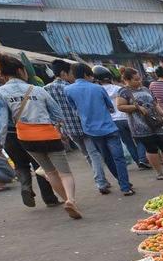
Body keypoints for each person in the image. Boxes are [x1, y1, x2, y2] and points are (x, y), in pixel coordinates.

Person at [0, 53, 80, 217]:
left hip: (26, 137)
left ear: (3, 74)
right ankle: (71, 200)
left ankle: (66, 200)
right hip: (48, 134)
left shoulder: (0, 92)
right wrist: (60, 129)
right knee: (64, 173)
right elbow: (57, 114)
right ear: (20, 70)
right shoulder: (38, 89)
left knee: (50, 172)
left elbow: (0, 121)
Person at [64, 62, 133, 196]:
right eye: (90, 75)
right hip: (109, 127)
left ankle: (122, 182)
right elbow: (111, 107)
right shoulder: (98, 88)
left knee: (107, 158)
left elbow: (74, 109)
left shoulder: (68, 90)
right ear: (86, 74)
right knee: (118, 158)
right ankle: (125, 186)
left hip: (91, 130)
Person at [48, 59, 108, 190]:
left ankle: (100, 180)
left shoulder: (46, 89)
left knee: (87, 155)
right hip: (84, 126)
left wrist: (58, 129)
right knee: (94, 154)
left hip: (69, 129)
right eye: (71, 73)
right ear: (64, 73)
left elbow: (51, 113)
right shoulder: (70, 88)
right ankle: (101, 182)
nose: (73, 76)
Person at [115, 67, 163, 180]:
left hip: (155, 122)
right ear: (127, 80)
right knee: (151, 148)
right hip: (140, 125)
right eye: (135, 80)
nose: (139, 81)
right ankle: (159, 173)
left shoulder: (146, 89)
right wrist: (136, 107)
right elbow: (120, 107)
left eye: (139, 79)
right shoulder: (124, 91)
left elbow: (155, 104)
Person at [102, 68, 151, 169]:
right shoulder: (118, 88)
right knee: (139, 138)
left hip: (114, 120)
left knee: (128, 142)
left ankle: (138, 162)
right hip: (127, 116)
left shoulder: (100, 90)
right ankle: (142, 158)